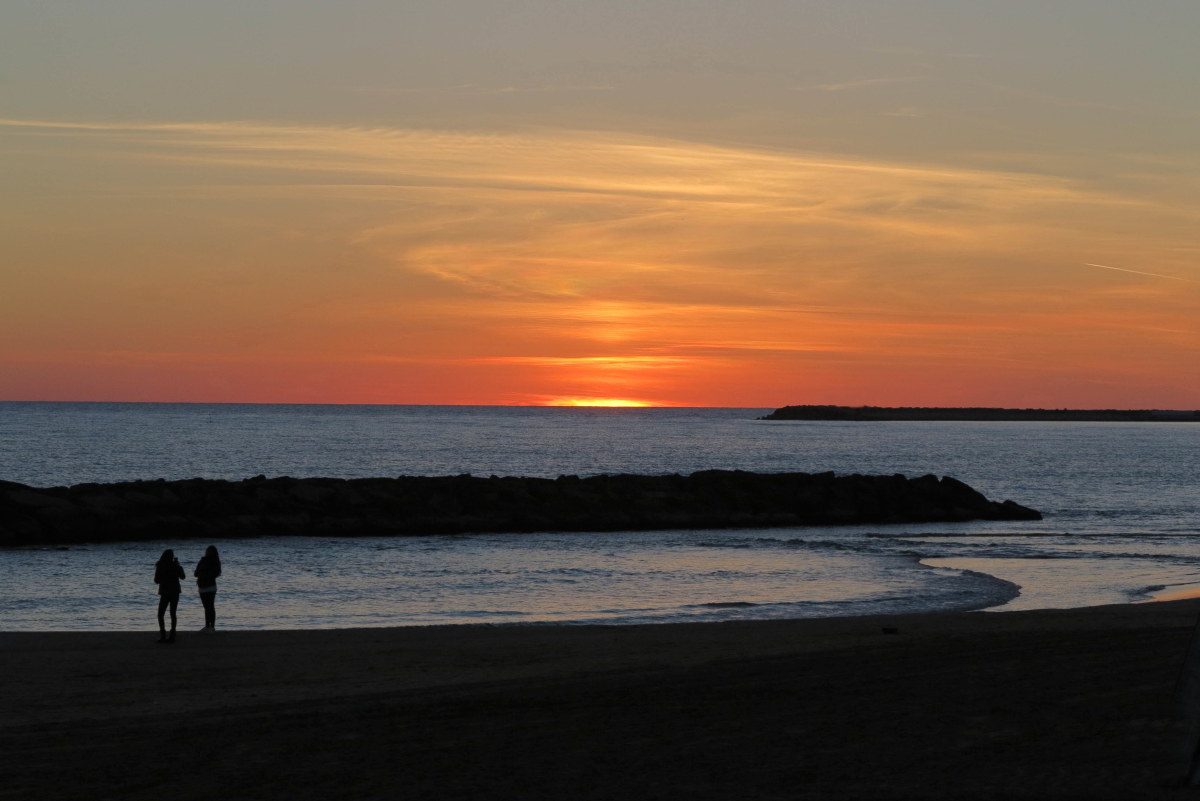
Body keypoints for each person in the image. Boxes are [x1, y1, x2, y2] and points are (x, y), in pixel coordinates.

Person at [154, 549, 184, 643]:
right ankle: (172, 635)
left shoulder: (160, 565)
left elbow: (156, 580)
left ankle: (163, 635)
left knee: (160, 614)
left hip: (165, 591)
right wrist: (178, 566)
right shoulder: (175, 565)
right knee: (173, 613)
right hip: (175, 591)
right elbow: (183, 576)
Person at [194, 545, 222, 632]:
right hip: (211, 586)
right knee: (210, 606)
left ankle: (208, 626)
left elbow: (196, 573)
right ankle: (211, 627)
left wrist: (203, 573)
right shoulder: (216, 562)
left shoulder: (203, 561)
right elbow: (217, 573)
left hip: (203, 586)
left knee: (207, 607)